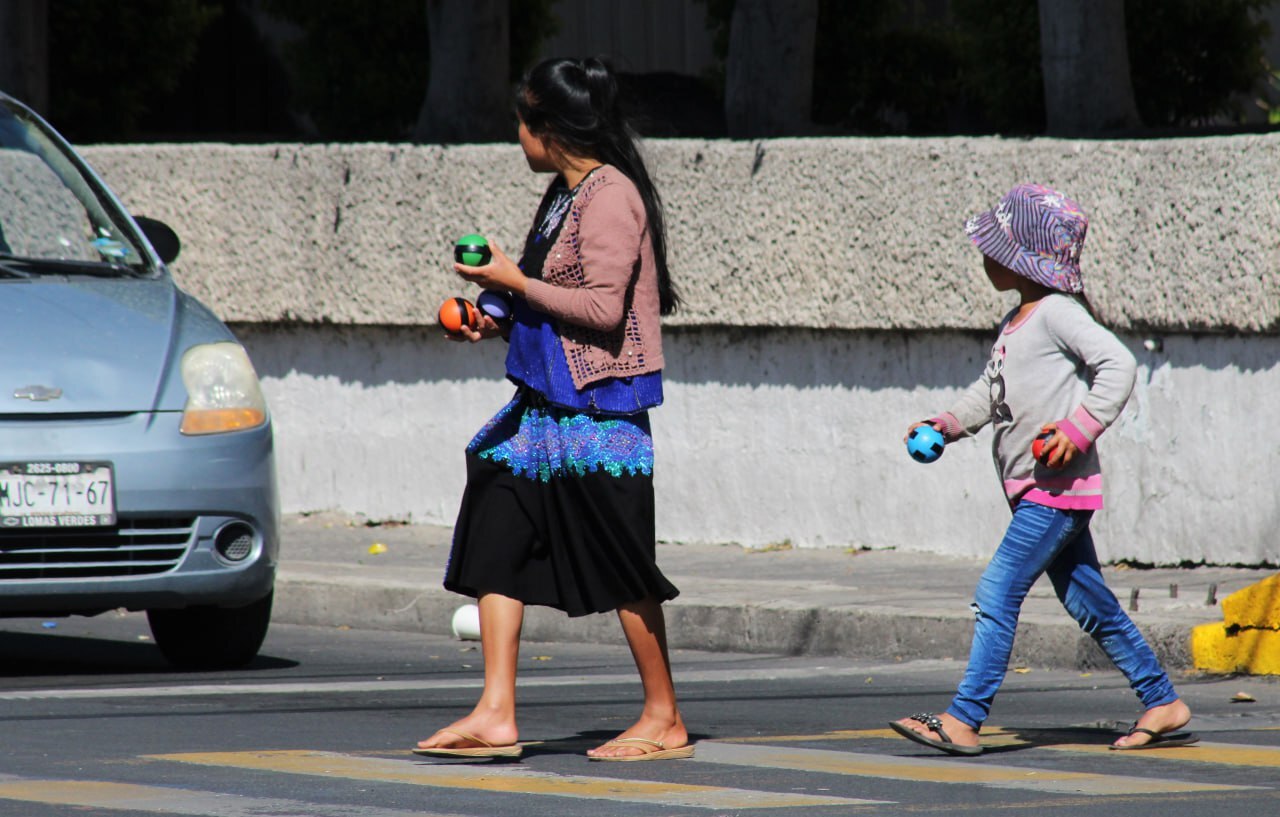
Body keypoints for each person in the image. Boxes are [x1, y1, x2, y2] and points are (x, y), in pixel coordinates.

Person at [414, 57, 692, 762]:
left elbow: (600, 310)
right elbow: (544, 295)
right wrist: (491, 313)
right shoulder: (565, 195)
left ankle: (664, 715)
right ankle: (496, 712)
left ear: (548, 129)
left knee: (622, 564)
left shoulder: (609, 197)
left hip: (600, 413)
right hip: (541, 410)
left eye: (522, 120)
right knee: (496, 535)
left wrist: (512, 280)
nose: (517, 134)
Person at [890, 184, 1196, 756]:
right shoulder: (1017, 321)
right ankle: (1162, 700)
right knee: (1089, 603)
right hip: (1038, 491)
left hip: (1054, 491)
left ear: (1018, 259)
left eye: (994, 246)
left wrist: (1078, 429)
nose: (984, 255)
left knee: (996, 592)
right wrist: (947, 423)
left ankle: (963, 718)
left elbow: (1118, 364)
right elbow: (991, 393)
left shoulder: (1058, 314)